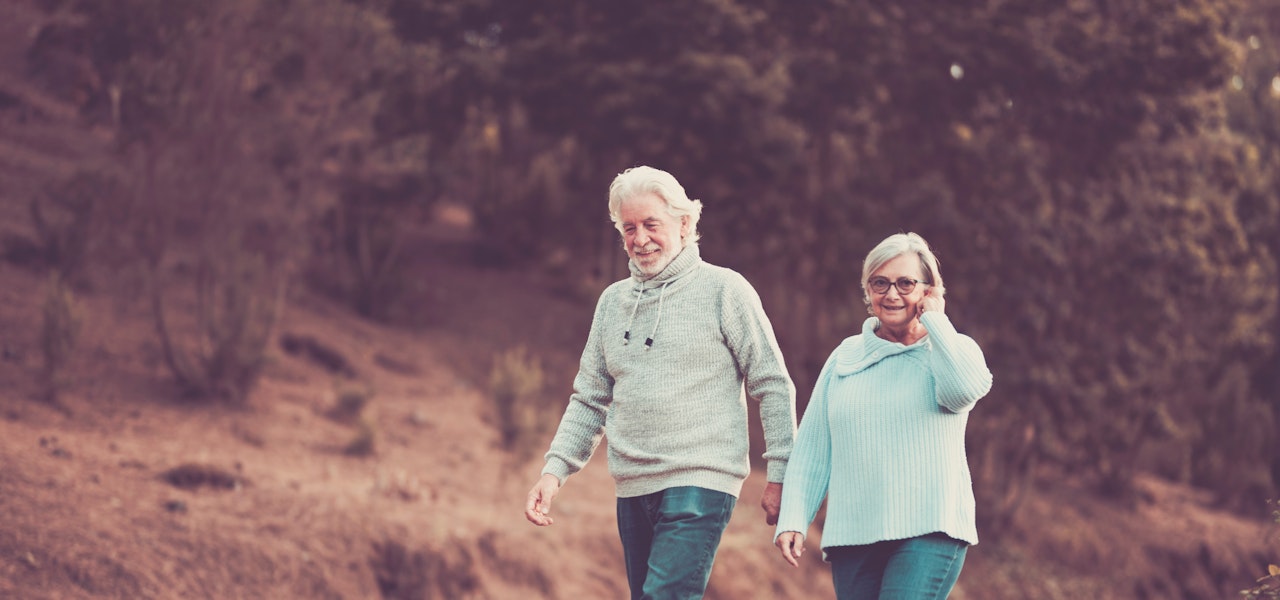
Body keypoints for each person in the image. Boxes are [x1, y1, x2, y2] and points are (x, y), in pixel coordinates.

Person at [524, 165, 797, 600]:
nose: (639, 238)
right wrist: (553, 472)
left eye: (651, 224)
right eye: (628, 228)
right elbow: (590, 399)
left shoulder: (725, 290)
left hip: (701, 481)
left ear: (685, 223)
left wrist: (781, 474)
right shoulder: (612, 303)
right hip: (633, 485)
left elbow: (772, 382)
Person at [773, 232, 993, 600]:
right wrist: (794, 517)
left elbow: (963, 391)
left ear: (928, 291)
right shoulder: (845, 357)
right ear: (868, 290)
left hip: (929, 530)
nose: (892, 294)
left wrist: (936, 323)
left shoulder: (951, 349)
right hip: (853, 536)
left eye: (906, 283)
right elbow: (813, 447)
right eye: (880, 283)